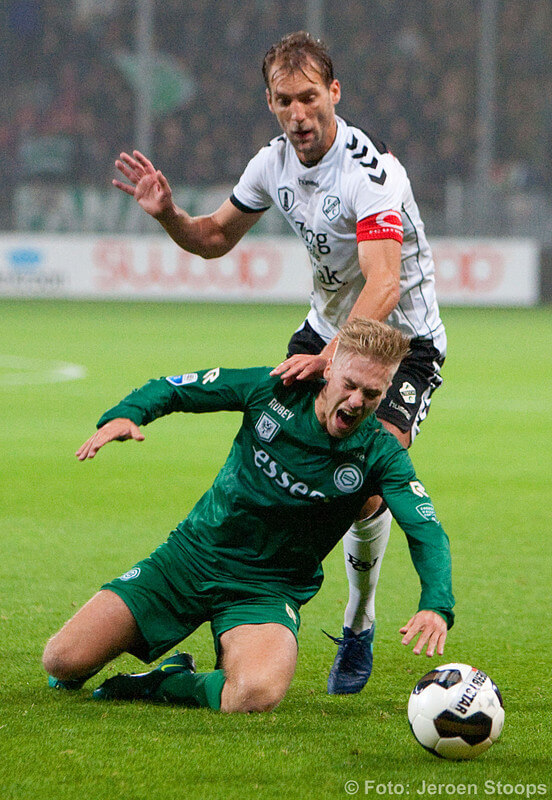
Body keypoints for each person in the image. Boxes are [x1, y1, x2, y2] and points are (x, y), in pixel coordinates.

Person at [111, 31, 447, 694]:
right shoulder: (272, 165)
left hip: (400, 347)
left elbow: (382, 286)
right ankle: (238, 603)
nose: (299, 113)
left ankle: (357, 621)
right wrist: (169, 213)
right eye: (285, 100)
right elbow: (211, 239)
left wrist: (328, 362)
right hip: (324, 332)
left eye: (311, 98)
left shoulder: (368, 172)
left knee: (363, 483)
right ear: (270, 102)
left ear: (335, 94)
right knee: (279, 461)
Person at [43, 319, 453, 713]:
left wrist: (435, 604)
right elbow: (177, 389)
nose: (357, 401)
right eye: (350, 385)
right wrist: (129, 413)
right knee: (61, 661)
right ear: (329, 369)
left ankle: (161, 682)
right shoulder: (272, 390)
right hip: (189, 559)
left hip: (266, 589)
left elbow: (425, 529)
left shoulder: (382, 453)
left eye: (373, 394)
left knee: (255, 693)